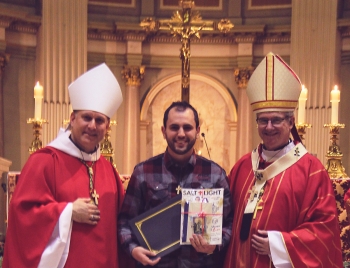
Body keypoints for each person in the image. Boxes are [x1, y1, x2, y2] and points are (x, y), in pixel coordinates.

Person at [224, 52, 343, 268]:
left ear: (291, 122)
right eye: (263, 120)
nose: (269, 127)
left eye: (276, 120)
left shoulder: (311, 170)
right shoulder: (242, 166)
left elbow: (324, 229)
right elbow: (223, 217)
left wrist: (279, 245)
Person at [3, 63, 126, 267]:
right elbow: (22, 215)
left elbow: (123, 223)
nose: (92, 126)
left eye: (100, 120)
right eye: (86, 117)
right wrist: (67, 211)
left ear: (107, 127)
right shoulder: (44, 161)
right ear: (72, 119)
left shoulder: (108, 170)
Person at [118, 101, 233, 268]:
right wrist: (133, 249)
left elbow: (229, 222)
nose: (181, 133)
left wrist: (216, 244)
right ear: (164, 131)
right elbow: (124, 222)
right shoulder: (143, 172)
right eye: (174, 127)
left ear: (197, 131)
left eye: (187, 127)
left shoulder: (215, 174)